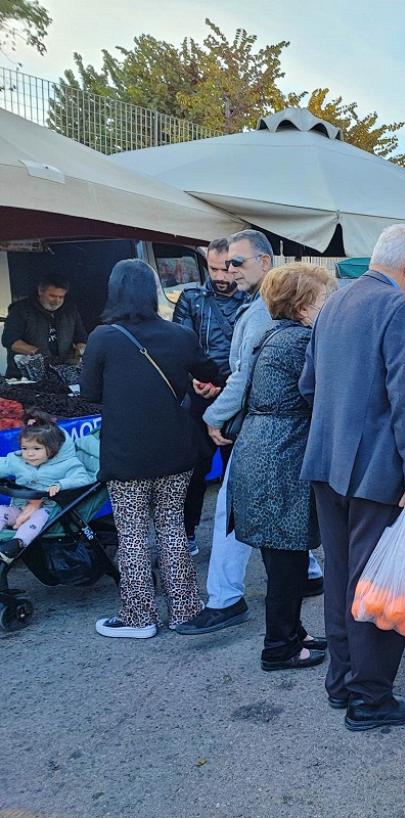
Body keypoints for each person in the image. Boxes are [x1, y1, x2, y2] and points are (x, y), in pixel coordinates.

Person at [300, 224, 405, 731]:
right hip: (377, 471)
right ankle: (371, 699)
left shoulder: (333, 303)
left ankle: (342, 683)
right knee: (380, 586)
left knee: (340, 577)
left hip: (328, 464)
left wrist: (341, 428)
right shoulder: (402, 309)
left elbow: (308, 385)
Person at [176, 229, 324, 636]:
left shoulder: (263, 313)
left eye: (237, 262)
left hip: (264, 436)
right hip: (274, 436)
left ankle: (226, 600)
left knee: (234, 512)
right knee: (275, 515)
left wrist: (215, 415)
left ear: (265, 262)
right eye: (225, 263)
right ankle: (304, 578)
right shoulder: (257, 309)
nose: (229, 269)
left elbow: (247, 377)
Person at [80, 260, 223, 639]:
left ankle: (139, 618)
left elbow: (91, 393)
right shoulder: (179, 335)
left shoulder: (102, 338)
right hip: (176, 452)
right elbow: (211, 373)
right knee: (173, 528)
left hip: (126, 455)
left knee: (131, 535)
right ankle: (186, 610)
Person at [228, 262, 337, 672]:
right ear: (304, 303)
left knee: (284, 557)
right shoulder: (298, 342)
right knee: (287, 560)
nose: (329, 304)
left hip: (267, 450)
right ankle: (278, 647)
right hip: (280, 456)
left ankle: (293, 632)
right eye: (324, 297)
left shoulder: (276, 335)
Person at [172, 237, 249, 554]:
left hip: (235, 395)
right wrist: (194, 379)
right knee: (194, 469)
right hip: (198, 396)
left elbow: (252, 353)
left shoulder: (251, 301)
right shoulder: (191, 298)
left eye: (225, 268)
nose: (219, 276)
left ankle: (237, 538)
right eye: (213, 268)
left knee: (238, 472)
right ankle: (187, 534)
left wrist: (224, 383)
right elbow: (178, 344)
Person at [0, 410, 94, 565]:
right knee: (1, 511)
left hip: (51, 513)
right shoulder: (18, 461)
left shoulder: (67, 464)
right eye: (25, 448)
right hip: (20, 509)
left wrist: (61, 484)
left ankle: (15, 545)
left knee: (39, 516)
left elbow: (82, 478)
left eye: (36, 449)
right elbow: (3, 464)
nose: (29, 454)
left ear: (53, 448)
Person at [2, 273, 87, 377]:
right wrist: (38, 354)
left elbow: (81, 338)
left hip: (63, 372)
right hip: (26, 374)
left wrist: (80, 353)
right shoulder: (20, 310)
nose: (57, 301)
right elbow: (10, 340)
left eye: (61, 297)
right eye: (52, 296)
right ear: (40, 292)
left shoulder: (70, 310)